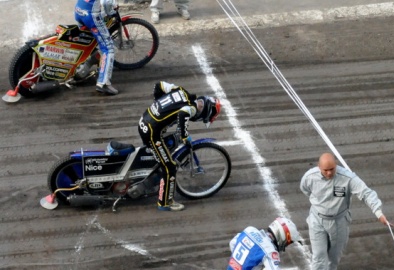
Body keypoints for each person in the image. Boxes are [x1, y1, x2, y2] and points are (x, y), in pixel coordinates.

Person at [300, 153, 392, 270]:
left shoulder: (348, 178)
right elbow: (304, 189)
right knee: (319, 256)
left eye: (332, 169)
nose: (329, 173)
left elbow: (366, 193)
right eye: (325, 170)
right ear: (319, 167)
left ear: (336, 165)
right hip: (317, 221)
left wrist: (378, 213)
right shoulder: (309, 177)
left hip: (339, 222)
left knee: (333, 258)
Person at [138, 81, 221, 211]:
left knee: (167, 145)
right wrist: (184, 136)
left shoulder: (181, 90)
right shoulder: (192, 108)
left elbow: (158, 85)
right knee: (169, 167)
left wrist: (158, 106)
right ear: (206, 112)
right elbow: (183, 114)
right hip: (152, 133)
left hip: (144, 120)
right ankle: (165, 202)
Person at [75, 0, 119, 95]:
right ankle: (103, 84)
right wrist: (111, 11)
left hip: (79, 11)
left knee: (94, 40)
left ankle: (90, 61)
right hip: (91, 16)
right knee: (108, 48)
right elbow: (107, 2)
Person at [227, 217, 302, 270]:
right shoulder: (270, 251)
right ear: (282, 237)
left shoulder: (249, 230)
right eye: (287, 243)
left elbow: (232, 243)